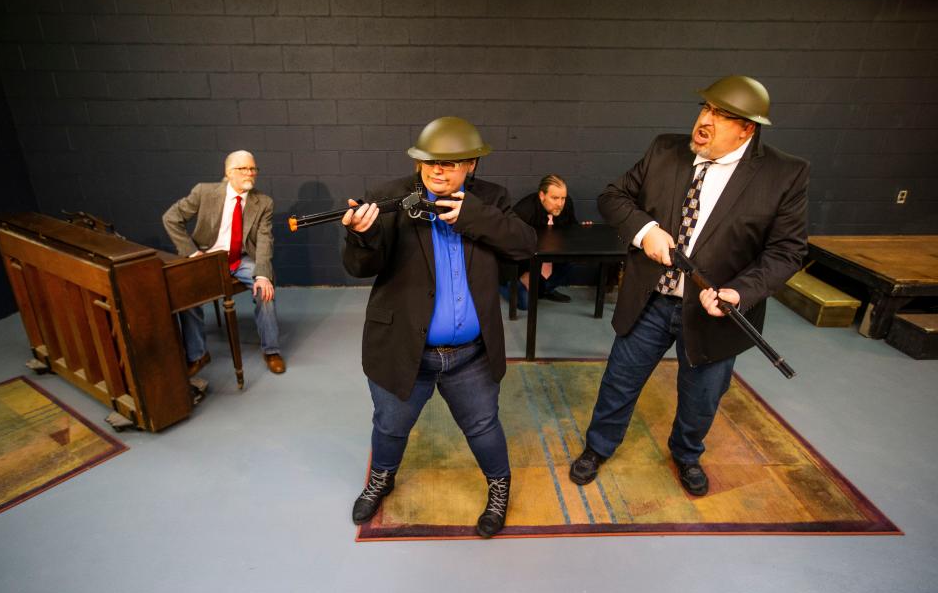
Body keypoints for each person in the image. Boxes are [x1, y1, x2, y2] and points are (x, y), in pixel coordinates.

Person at [569, 76, 808, 496]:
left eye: (721, 116)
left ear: (746, 129)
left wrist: (739, 292)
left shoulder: (783, 174)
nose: (705, 121)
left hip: (716, 311)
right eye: (706, 109)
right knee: (619, 380)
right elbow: (613, 197)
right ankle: (598, 447)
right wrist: (645, 230)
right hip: (651, 299)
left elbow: (786, 252)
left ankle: (686, 454)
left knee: (702, 396)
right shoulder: (665, 149)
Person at [341, 117, 537, 538]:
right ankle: (381, 479)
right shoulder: (390, 198)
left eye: (450, 163)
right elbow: (362, 267)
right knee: (390, 426)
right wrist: (360, 237)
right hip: (402, 349)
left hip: (471, 356)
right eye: (430, 162)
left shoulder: (491, 199)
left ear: (472, 165)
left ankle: (499, 486)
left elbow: (525, 245)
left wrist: (473, 216)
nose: (438, 170)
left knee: (484, 425)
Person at [162, 150, 286, 375]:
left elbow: (265, 240)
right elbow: (171, 218)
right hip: (207, 257)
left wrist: (263, 275)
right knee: (184, 293)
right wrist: (190, 253)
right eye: (244, 169)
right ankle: (198, 354)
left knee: (265, 291)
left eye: (253, 169)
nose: (250, 173)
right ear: (229, 173)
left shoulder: (264, 202)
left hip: (241, 259)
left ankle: (271, 350)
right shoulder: (204, 192)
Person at [504, 174, 581, 308]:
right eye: (555, 198)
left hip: (550, 256)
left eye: (563, 198)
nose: (560, 203)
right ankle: (510, 285)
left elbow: (571, 228)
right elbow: (510, 246)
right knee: (525, 305)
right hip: (523, 262)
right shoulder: (524, 211)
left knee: (572, 260)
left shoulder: (566, 204)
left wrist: (582, 229)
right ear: (542, 196)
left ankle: (545, 289)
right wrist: (526, 272)